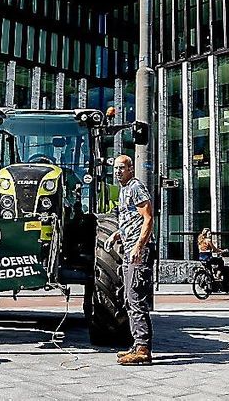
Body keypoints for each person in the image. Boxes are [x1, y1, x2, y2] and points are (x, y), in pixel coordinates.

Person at [105, 154, 154, 366]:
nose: (117, 171)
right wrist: (117, 234)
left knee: (135, 297)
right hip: (128, 247)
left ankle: (143, 348)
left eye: (121, 168)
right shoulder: (124, 190)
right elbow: (130, 221)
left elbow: (148, 218)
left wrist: (138, 246)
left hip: (137, 251)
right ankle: (137, 344)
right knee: (128, 298)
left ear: (130, 169)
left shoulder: (135, 187)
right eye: (115, 168)